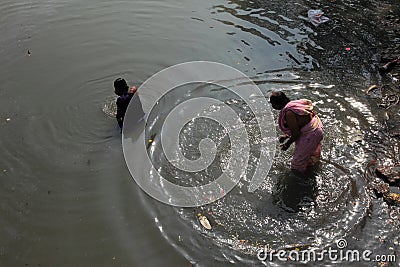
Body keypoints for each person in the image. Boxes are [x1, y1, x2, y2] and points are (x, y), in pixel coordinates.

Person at [269, 91, 323, 173]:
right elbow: (300, 124)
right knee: (310, 155)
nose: (272, 106)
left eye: (272, 104)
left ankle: (303, 179)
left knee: (296, 166)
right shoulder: (294, 105)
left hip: (311, 135)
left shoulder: (289, 113)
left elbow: (296, 134)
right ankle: (312, 168)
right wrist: (286, 136)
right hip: (316, 127)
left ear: (277, 104)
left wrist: (287, 144)